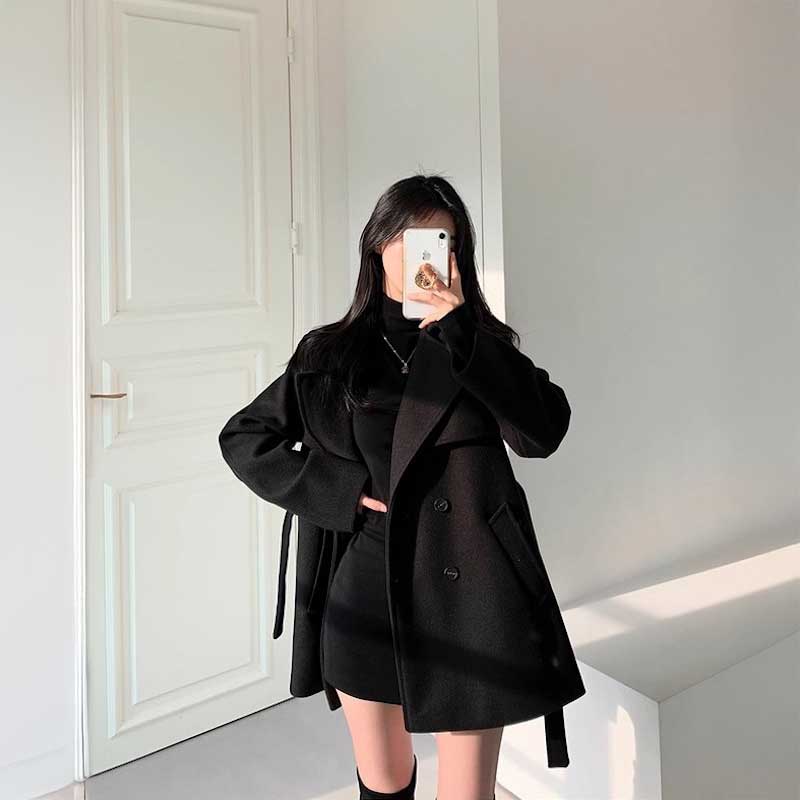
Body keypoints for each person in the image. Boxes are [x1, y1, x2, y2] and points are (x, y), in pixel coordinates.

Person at [218, 173, 585, 800]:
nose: (429, 256)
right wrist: (341, 490)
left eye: (445, 241)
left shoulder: (481, 346)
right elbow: (245, 436)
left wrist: (462, 330)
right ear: (378, 244)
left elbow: (541, 433)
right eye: (414, 238)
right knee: (384, 783)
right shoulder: (331, 353)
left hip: (469, 595)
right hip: (366, 590)